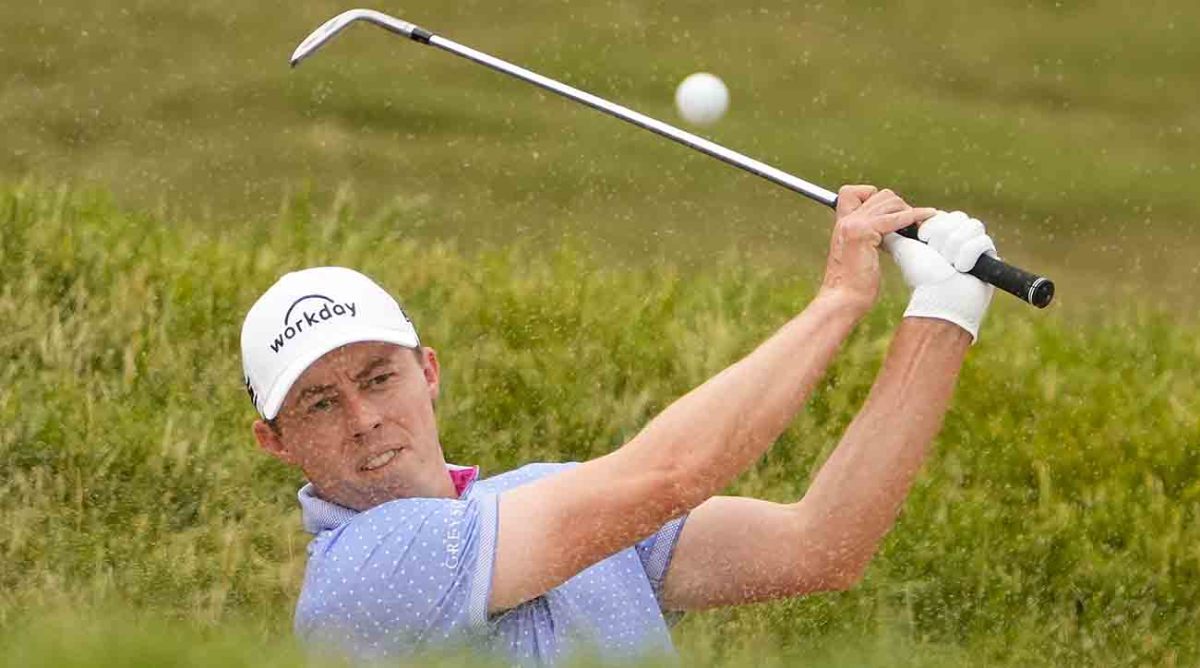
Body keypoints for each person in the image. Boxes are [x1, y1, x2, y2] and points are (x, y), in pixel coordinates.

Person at [239, 186, 997, 666]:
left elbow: (822, 546)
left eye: (379, 378)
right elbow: (669, 474)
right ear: (276, 441)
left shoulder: (546, 498)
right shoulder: (359, 573)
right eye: (320, 403)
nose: (365, 419)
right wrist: (838, 300)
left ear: (428, 372)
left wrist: (943, 312)